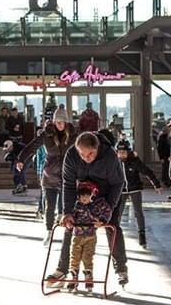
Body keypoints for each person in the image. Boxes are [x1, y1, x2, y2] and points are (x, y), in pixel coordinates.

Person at [46, 132, 127, 288]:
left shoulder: (109, 156)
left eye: (91, 154)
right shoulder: (71, 155)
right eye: (83, 154)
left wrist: (106, 211)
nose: (86, 158)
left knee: (112, 227)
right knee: (72, 226)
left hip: (107, 194)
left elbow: (118, 183)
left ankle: (121, 269)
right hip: (84, 194)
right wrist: (67, 212)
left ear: (97, 148)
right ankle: (62, 269)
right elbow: (68, 184)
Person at [16, 109, 77, 240]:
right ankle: (49, 231)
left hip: (67, 175)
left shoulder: (73, 134)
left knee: (67, 207)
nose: (60, 125)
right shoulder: (47, 134)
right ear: (54, 122)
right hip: (50, 174)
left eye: (63, 122)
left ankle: (68, 233)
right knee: (49, 206)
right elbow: (31, 147)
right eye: (58, 122)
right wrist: (21, 159)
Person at [65, 180, 113, 292]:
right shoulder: (76, 205)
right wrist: (69, 221)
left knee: (88, 256)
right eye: (82, 196)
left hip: (90, 236)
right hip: (77, 235)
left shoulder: (98, 204)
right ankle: (73, 277)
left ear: (93, 194)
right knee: (74, 257)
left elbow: (107, 211)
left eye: (87, 195)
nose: (84, 198)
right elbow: (69, 213)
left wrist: (102, 220)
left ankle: (88, 276)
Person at [115, 140, 161, 248]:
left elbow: (147, 171)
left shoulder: (134, 161)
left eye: (124, 152)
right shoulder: (114, 162)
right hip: (121, 190)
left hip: (135, 188)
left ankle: (142, 234)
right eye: (120, 152)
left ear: (129, 152)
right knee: (117, 213)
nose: (122, 155)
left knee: (138, 212)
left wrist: (156, 184)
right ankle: (115, 234)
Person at [155, 123, 171, 187]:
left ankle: (166, 181)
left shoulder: (169, 137)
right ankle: (165, 181)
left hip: (168, 155)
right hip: (165, 155)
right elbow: (159, 148)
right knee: (165, 168)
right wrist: (161, 157)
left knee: (167, 168)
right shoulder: (162, 137)